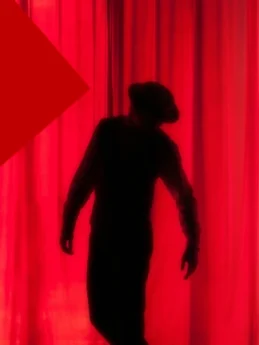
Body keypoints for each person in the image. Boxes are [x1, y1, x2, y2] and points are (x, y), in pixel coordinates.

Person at [60, 82, 200, 345]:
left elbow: (183, 194)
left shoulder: (160, 146)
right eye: (153, 116)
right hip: (105, 233)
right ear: (138, 109)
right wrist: (69, 218)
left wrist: (193, 240)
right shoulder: (108, 132)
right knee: (102, 314)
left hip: (133, 239)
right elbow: (85, 178)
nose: (156, 123)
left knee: (129, 318)